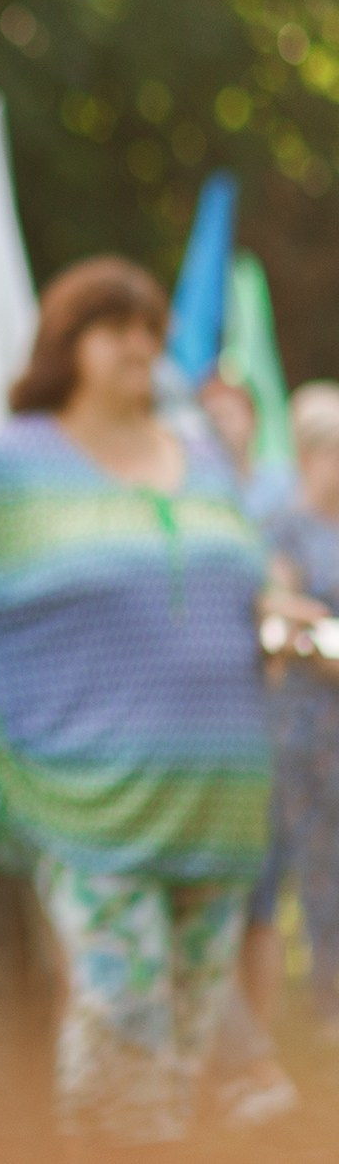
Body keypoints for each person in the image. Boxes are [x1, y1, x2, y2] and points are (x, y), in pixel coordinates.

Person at [0, 257, 271, 1146]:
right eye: (116, 326)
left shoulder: (204, 459)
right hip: (91, 799)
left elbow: (241, 579)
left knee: (185, 1052)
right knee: (120, 1035)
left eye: (151, 328)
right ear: (66, 342)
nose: (141, 344)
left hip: (222, 804)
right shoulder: (11, 461)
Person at [257, 383, 339, 1034]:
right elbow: (277, 623)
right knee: (318, 861)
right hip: (306, 724)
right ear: (309, 455)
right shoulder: (283, 529)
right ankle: (328, 999)